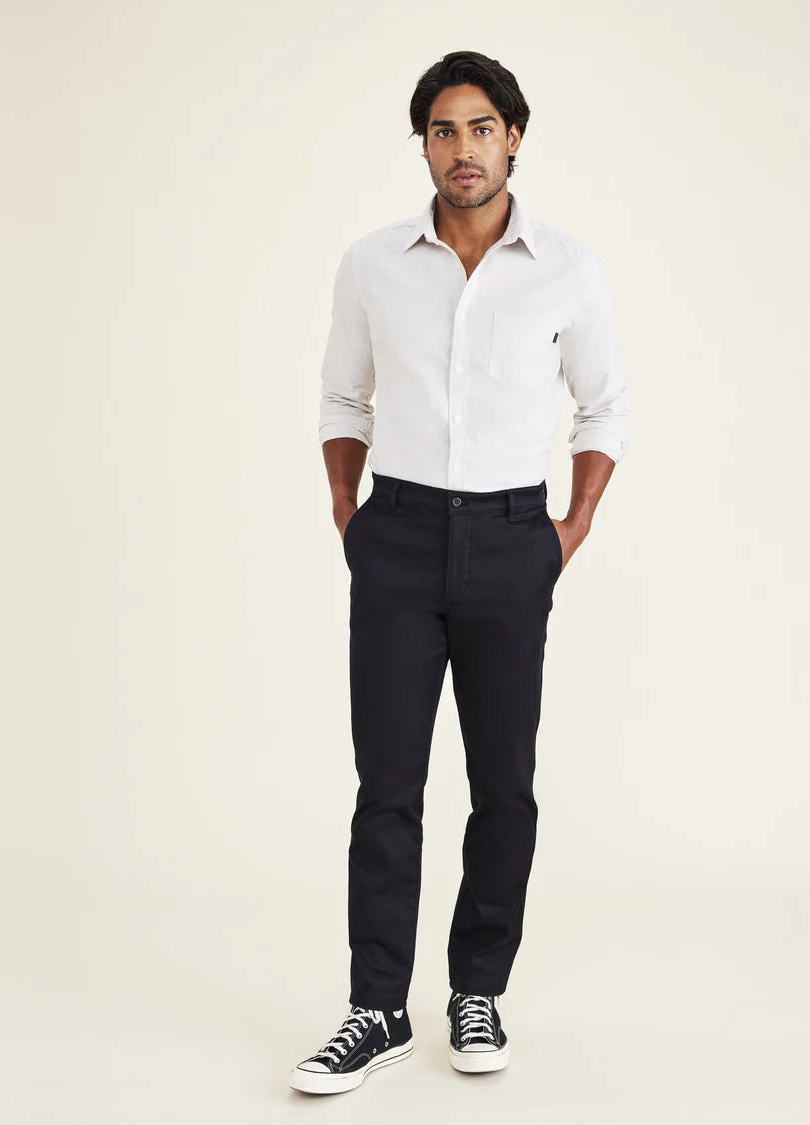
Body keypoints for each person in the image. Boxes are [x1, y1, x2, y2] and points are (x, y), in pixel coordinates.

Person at [289, 49, 630, 1096]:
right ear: (425, 147)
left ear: (514, 138)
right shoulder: (373, 263)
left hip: (513, 539)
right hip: (395, 536)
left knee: (503, 786)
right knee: (387, 788)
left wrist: (567, 530)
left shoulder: (567, 269)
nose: (463, 149)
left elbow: (604, 407)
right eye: (443, 130)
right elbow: (342, 398)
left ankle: (477, 989)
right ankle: (376, 1008)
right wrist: (349, 513)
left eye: (481, 128)